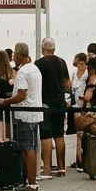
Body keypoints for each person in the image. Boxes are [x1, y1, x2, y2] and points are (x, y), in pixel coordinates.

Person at [0, 41, 42, 191]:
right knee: (31, 147)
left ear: (18, 55)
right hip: (35, 113)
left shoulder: (23, 72)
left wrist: (7, 102)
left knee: (27, 148)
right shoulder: (35, 69)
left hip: (25, 114)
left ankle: (32, 183)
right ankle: (28, 179)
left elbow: (22, 94)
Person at [35, 38, 70, 178]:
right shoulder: (62, 62)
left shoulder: (39, 64)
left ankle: (47, 168)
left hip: (46, 103)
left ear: (43, 48)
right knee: (59, 134)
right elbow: (67, 83)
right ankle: (62, 167)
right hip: (60, 102)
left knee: (46, 135)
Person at [70, 52, 88, 168]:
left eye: (82, 63)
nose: (80, 66)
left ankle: (83, 158)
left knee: (83, 132)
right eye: (78, 64)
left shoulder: (87, 75)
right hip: (75, 105)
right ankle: (78, 158)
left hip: (84, 104)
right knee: (77, 133)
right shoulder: (74, 74)